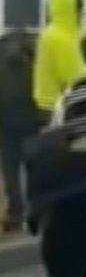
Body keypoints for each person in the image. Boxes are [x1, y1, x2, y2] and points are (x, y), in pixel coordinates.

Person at [0, 30, 39, 233]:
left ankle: (15, 213)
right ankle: (37, 210)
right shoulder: (35, 53)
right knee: (35, 167)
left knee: (10, 169)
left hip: (7, 120)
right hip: (32, 118)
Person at [33, 0, 86, 124]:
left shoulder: (52, 32)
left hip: (45, 102)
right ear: (70, 11)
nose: (80, 16)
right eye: (78, 11)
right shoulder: (61, 37)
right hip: (56, 106)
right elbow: (73, 75)